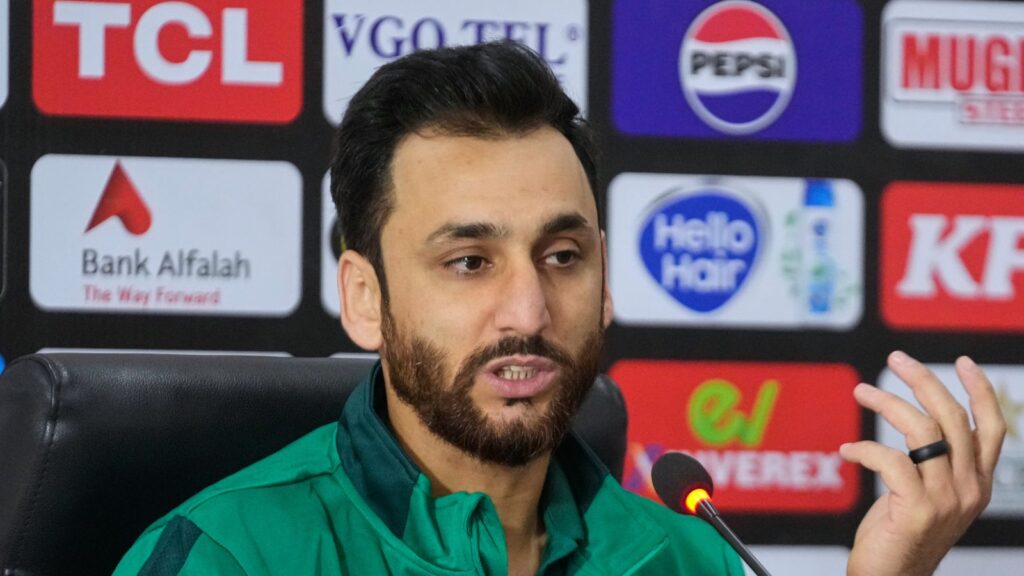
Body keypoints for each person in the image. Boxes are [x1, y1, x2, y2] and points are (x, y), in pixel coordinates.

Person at [113, 42, 1006, 576]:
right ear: (364, 298)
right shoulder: (226, 556)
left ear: (605, 279)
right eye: (469, 262)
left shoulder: (689, 558)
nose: (529, 309)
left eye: (563, 256)